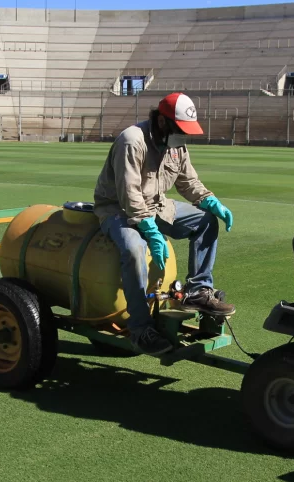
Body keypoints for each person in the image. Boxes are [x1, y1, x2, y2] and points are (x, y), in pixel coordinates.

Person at [93, 92, 235, 356]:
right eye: (181, 129)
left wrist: (211, 202)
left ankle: (198, 291)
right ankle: (140, 329)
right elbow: (129, 194)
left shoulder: (176, 144)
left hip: (156, 204)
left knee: (205, 221)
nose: (185, 137)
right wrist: (150, 230)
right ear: (162, 122)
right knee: (134, 250)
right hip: (118, 209)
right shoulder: (132, 140)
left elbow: (188, 182)